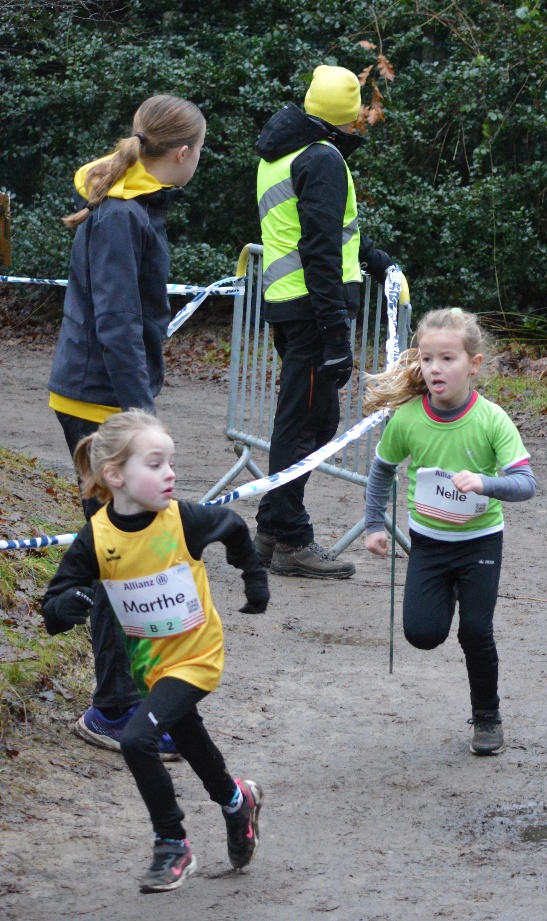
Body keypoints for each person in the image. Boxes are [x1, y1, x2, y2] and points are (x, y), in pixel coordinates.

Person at [39, 411, 269, 893]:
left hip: (197, 657)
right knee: (188, 739)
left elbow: (230, 524)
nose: (170, 474)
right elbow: (53, 611)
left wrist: (255, 581)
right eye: (156, 463)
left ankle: (172, 843)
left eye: (171, 463)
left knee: (136, 739)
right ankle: (236, 800)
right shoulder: (97, 538)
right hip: (151, 666)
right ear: (115, 476)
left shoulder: (181, 519)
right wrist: (72, 602)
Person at [46, 94, 206, 756]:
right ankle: (113, 708)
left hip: (100, 397)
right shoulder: (118, 218)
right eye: (202, 148)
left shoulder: (136, 206)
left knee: (122, 551)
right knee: (120, 554)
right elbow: (113, 320)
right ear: (182, 154)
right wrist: (140, 420)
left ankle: (122, 698)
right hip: (96, 404)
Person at [361, 308, 535, 755]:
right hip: (430, 545)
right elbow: (381, 470)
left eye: (447, 359)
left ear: (472, 365)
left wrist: (485, 483)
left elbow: (526, 483)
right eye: (427, 359)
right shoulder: (408, 419)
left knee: (475, 631)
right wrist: (374, 523)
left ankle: (487, 718)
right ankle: (444, 596)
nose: (435, 369)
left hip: (480, 543)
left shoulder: (492, 419)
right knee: (423, 634)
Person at [252, 64, 402, 578]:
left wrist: (372, 257)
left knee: (305, 421)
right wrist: (337, 327)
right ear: (346, 117)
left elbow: (322, 234)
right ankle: (290, 539)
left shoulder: (281, 153)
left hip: (289, 304)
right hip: (316, 311)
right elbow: (317, 245)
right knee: (306, 426)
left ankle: (273, 529)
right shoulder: (322, 159)